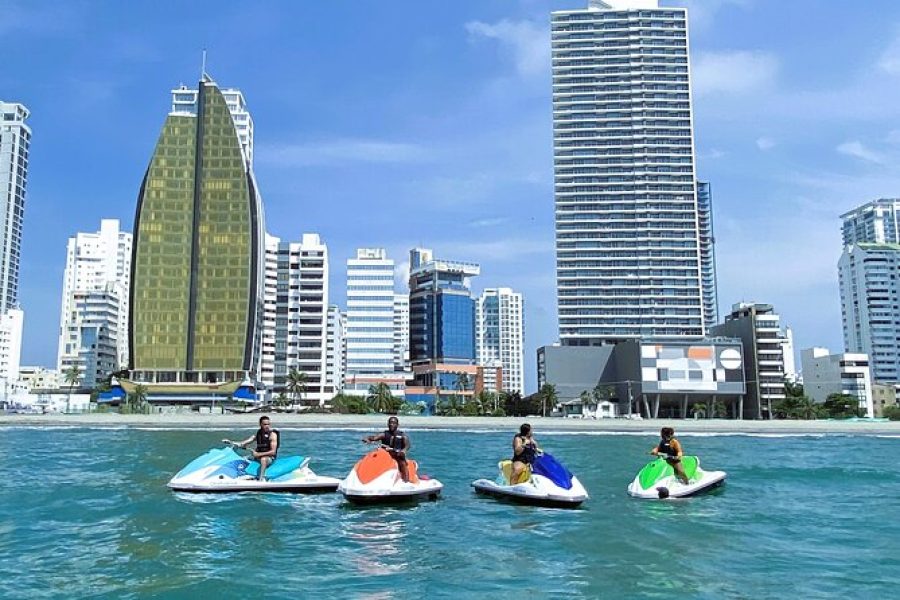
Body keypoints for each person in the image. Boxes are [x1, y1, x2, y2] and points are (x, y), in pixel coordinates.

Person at [223, 415, 279, 481]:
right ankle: (238, 475)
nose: (267, 426)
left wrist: (258, 454)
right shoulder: (258, 434)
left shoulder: (273, 435)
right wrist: (230, 442)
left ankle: (261, 479)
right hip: (258, 456)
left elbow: (273, 452)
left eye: (268, 424)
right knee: (244, 459)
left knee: (263, 459)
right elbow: (242, 444)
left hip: (269, 458)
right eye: (265, 424)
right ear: (260, 424)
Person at [362, 416, 410, 482]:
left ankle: (406, 481)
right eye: (390, 423)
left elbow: (407, 445)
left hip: (397, 454)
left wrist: (403, 451)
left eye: (393, 423)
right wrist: (367, 438)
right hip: (385, 453)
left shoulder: (403, 436)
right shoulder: (384, 434)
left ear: (397, 425)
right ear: (387, 424)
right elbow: (374, 438)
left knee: (401, 461)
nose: (391, 424)